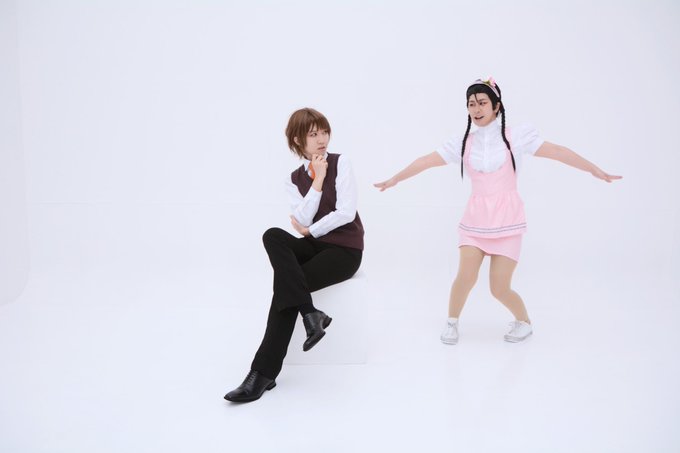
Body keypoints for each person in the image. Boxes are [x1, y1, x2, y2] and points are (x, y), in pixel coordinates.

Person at [374, 77, 621, 345]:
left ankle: (524, 322)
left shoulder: (517, 137)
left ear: (496, 106)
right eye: (471, 104)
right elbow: (426, 161)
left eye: (482, 103)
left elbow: (558, 151)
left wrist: (594, 169)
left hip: (508, 221)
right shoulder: (463, 143)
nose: (476, 109)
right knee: (465, 277)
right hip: (475, 220)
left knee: (499, 288)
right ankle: (452, 322)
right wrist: (395, 179)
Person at [225, 108, 364, 403]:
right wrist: (317, 181)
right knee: (273, 235)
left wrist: (311, 231)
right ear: (298, 140)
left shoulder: (342, 162)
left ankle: (262, 373)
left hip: (345, 250)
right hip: (317, 245)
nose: (322, 139)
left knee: (285, 289)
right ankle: (311, 314)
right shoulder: (293, 179)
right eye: (313, 134)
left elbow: (345, 212)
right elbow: (300, 216)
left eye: (324, 132)